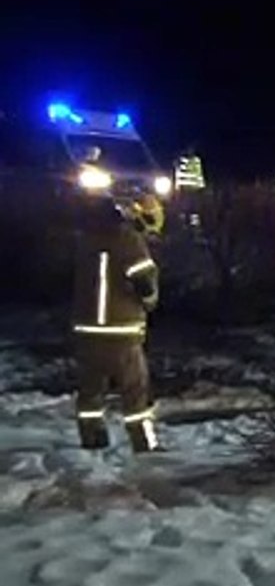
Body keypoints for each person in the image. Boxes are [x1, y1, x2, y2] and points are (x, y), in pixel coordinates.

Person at [70, 194, 163, 452]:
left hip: (86, 330)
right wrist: (151, 301)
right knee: (135, 391)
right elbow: (143, 280)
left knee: (90, 390)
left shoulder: (85, 239)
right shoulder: (128, 239)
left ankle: (92, 440)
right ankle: (144, 444)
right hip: (122, 330)